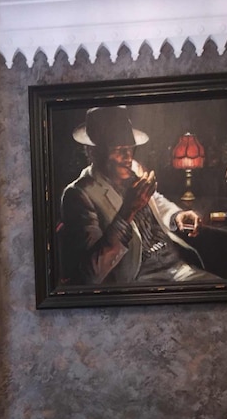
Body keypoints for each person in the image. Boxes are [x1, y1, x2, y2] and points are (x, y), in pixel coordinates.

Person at [59, 105, 217, 287]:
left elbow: (155, 201)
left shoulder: (132, 170)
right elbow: (91, 274)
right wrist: (128, 211)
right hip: (138, 281)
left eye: (130, 148)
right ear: (93, 152)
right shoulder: (78, 194)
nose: (128, 156)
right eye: (118, 149)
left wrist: (177, 216)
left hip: (178, 268)